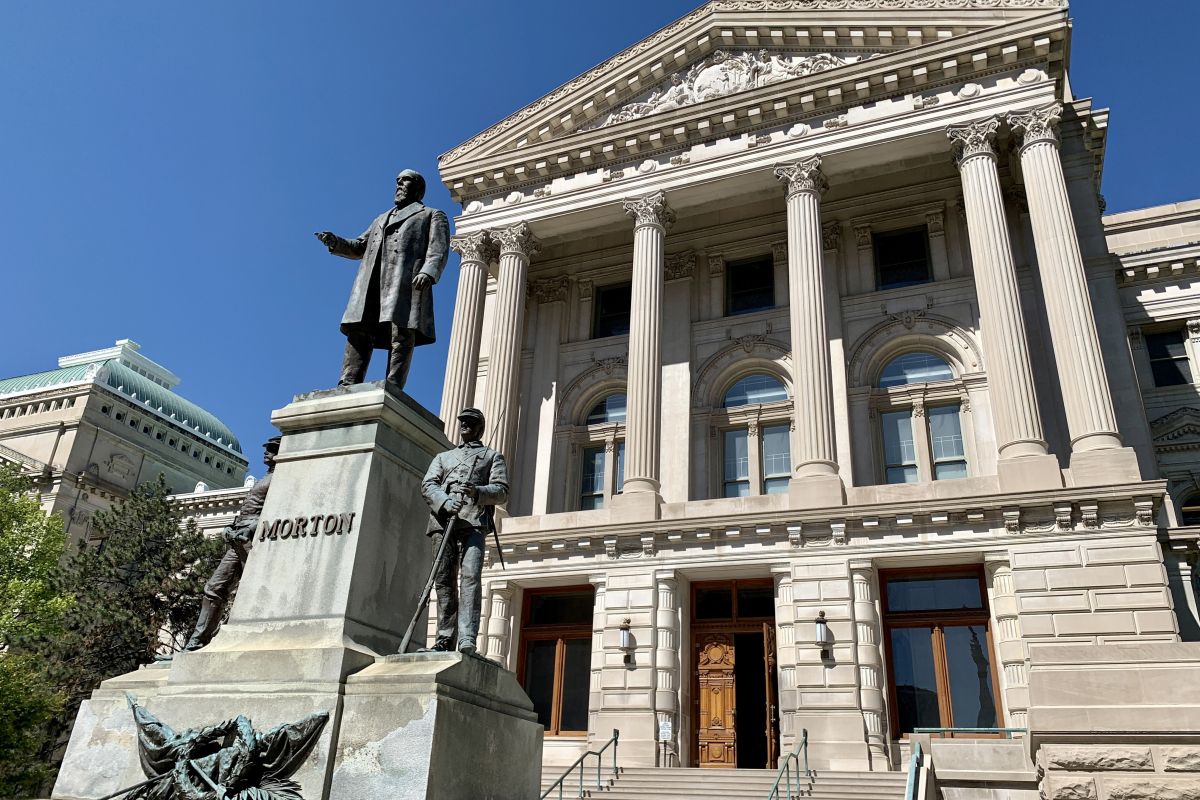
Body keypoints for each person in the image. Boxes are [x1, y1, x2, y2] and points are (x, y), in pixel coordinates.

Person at [315, 169, 450, 391]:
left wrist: (429, 271)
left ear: (418, 187)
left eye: (405, 180)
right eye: (397, 180)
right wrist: (335, 242)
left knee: (401, 331)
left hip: (404, 281)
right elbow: (359, 246)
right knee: (360, 330)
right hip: (371, 282)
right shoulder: (380, 218)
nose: (399, 183)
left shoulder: (431, 215)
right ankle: (347, 382)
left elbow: (438, 249)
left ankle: (393, 384)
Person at [170, 436, 280, 656]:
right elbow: (250, 510)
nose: (266, 452)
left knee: (256, 589)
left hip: (253, 541)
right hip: (238, 539)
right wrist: (232, 527)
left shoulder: (280, 477)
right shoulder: (265, 477)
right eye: (267, 448)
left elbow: (277, 510)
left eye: (272, 449)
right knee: (213, 588)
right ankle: (196, 643)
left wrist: (249, 527)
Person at [419, 408, 508, 654]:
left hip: (474, 523)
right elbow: (428, 484)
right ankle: (444, 638)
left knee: (470, 579)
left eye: (470, 422)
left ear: (480, 427)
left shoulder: (492, 456)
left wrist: (477, 491)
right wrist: (446, 502)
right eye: (462, 422)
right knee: (444, 580)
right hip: (443, 521)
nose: (465, 426)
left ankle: (467, 638)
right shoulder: (443, 458)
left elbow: (501, 491)